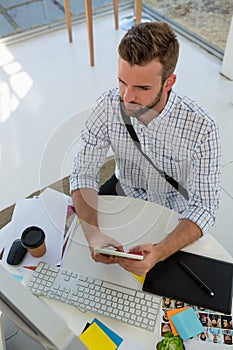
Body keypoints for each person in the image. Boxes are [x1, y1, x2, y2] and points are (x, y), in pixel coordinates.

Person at [70, 21, 221, 276]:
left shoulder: (202, 128)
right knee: (82, 266)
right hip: (124, 189)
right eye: (122, 82)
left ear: (169, 82)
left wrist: (160, 251)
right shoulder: (107, 106)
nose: (127, 97)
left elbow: (205, 206)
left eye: (142, 88)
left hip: (173, 208)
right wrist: (93, 234)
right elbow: (83, 173)